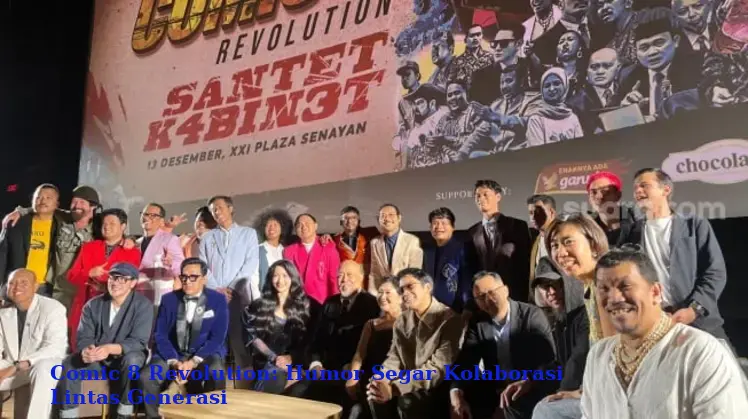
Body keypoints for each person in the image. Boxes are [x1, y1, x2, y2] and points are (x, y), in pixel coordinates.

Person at [582, 246, 748, 416]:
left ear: (655, 292)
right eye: (603, 289)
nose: (614, 298)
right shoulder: (598, 356)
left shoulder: (700, 352)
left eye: (625, 286)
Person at [450, 271, 556, 419]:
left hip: (528, 387)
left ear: (506, 290)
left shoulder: (531, 315)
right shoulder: (478, 322)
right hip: (495, 389)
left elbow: (548, 360)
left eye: (491, 292)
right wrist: (455, 393)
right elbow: (466, 361)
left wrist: (529, 381)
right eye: (480, 297)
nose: (487, 300)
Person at [57, 262, 153, 419]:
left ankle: (124, 413)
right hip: (98, 360)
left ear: (133, 283)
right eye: (112, 278)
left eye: (122, 279)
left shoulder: (143, 305)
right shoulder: (93, 305)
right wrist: (87, 351)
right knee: (70, 362)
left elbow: (138, 341)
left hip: (125, 359)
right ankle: (68, 414)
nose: (115, 283)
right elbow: (83, 337)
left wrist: (109, 349)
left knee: (133, 360)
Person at [367, 268, 462, 419]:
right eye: (401, 289)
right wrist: (381, 379)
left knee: (408, 402)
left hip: (438, 387)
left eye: (410, 286)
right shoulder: (402, 320)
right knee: (374, 394)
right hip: (409, 383)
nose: (405, 293)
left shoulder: (450, 320)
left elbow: (436, 369)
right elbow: (394, 358)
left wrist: (395, 388)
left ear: (427, 287)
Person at [140, 257, 229, 419]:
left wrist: (193, 362)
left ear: (204, 279)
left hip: (204, 353)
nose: (187, 281)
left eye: (193, 277)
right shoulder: (168, 299)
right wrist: (174, 361)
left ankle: (211, 415)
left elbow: (217, 338)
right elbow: (160, 334)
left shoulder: (218, 300)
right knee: (147, 376)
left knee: (217, 372)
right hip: (173, 353)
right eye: (184, 277)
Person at [306, 260, 380, 412]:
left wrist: (353, 368)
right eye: (340, 275)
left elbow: (373, 348)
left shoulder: (373, 305)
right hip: (325, 371)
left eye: (349, 275)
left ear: (361, 277)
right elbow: (316, 340)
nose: (344, 279)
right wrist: (316, 364)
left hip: (354, 373)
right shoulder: (329, 303)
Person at [0, 269, 67, 419]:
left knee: (45, 368)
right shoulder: (4, 311)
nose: (16, 287)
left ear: (35, 286)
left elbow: (55, 347)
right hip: (12, 364)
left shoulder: (53, 308)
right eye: (12, 283)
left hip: (39, 364)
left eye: (23, 283)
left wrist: (17, 366)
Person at [242, 260, 311, 396]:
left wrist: (292, 359)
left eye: (285, 276)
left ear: (293, 278)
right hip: (266, 363)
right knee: (276, 375)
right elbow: (253, 338)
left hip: (296, 362)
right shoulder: (257, 306)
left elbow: (309, 342)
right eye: (275, 276)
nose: (280, 281)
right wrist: (275, 359)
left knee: (302, 385)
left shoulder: (305, 307)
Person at [346, 277, 402, 419]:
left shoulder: (408, 323)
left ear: (400, 297)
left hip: (394, 379)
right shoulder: (371, 324)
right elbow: (359, 354)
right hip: (369, 377)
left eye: (388, 292)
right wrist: (353, 377)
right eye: (380, 292)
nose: (382, 297)